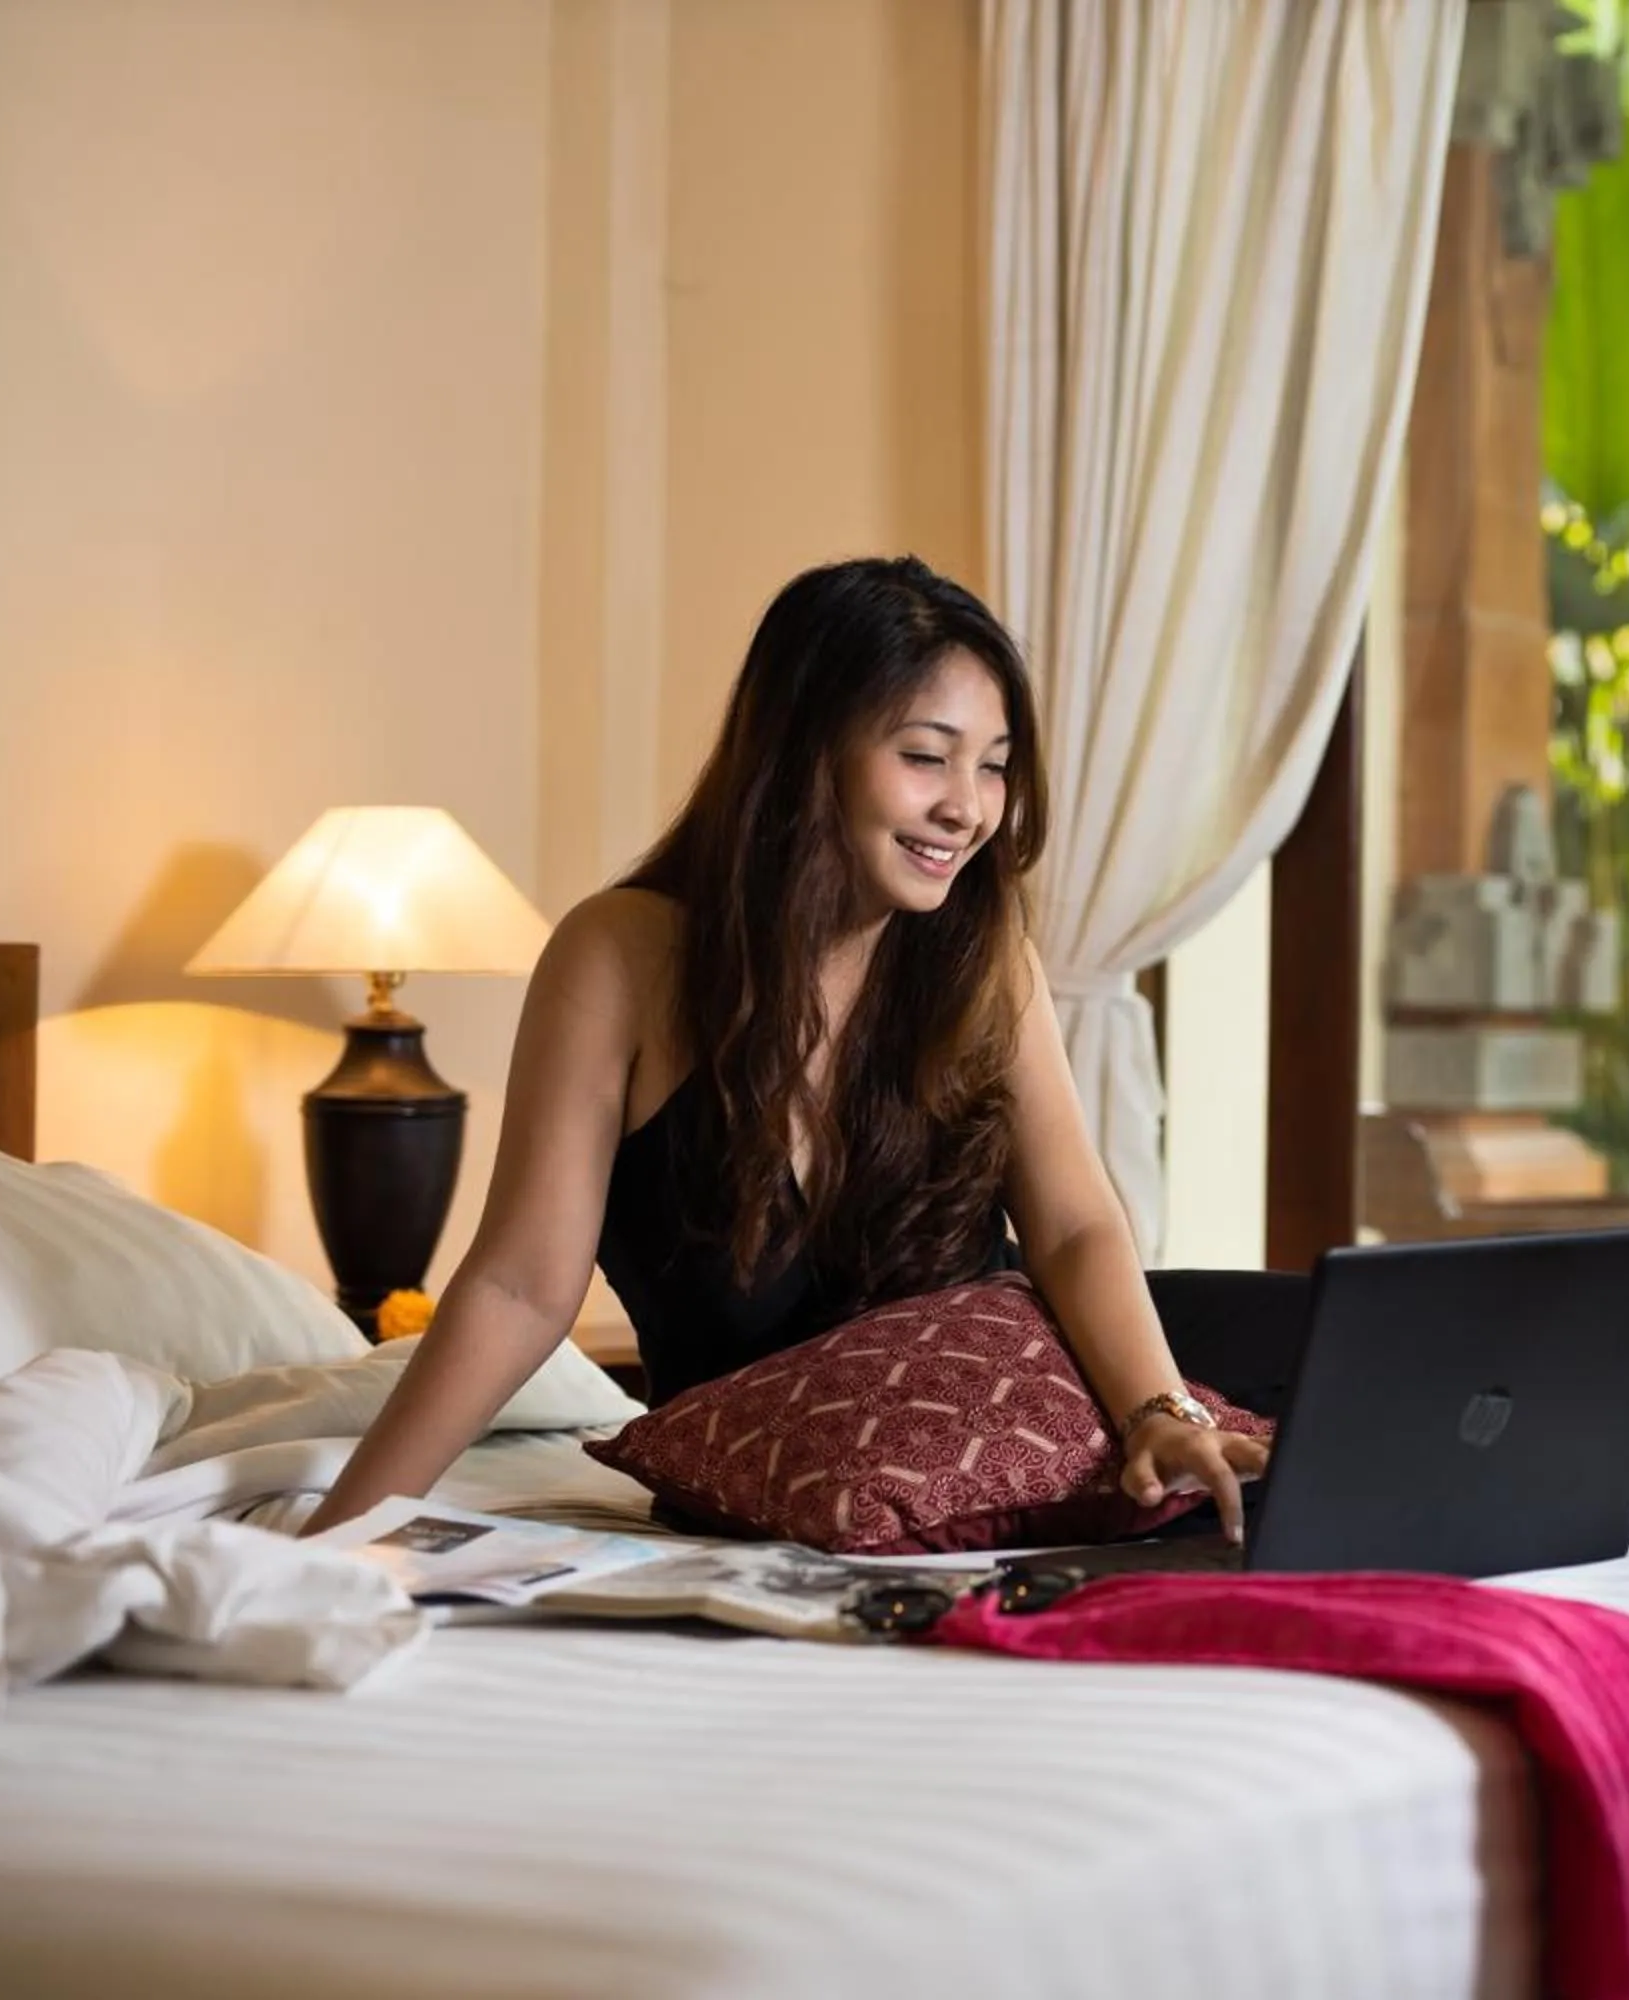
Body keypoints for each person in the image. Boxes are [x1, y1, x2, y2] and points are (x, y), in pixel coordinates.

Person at [302, 557, 1278, 1542]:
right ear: (808, 748)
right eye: (927, 755)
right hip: (783, 1498)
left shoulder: (987, 958)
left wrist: (1161, 1409)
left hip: (1022, 1450)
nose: (969, 807)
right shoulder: (623, 956)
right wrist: (340, 1531)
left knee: (1341, 1362)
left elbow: (1073, 1228)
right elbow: (519, 1285)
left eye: (994, 763)